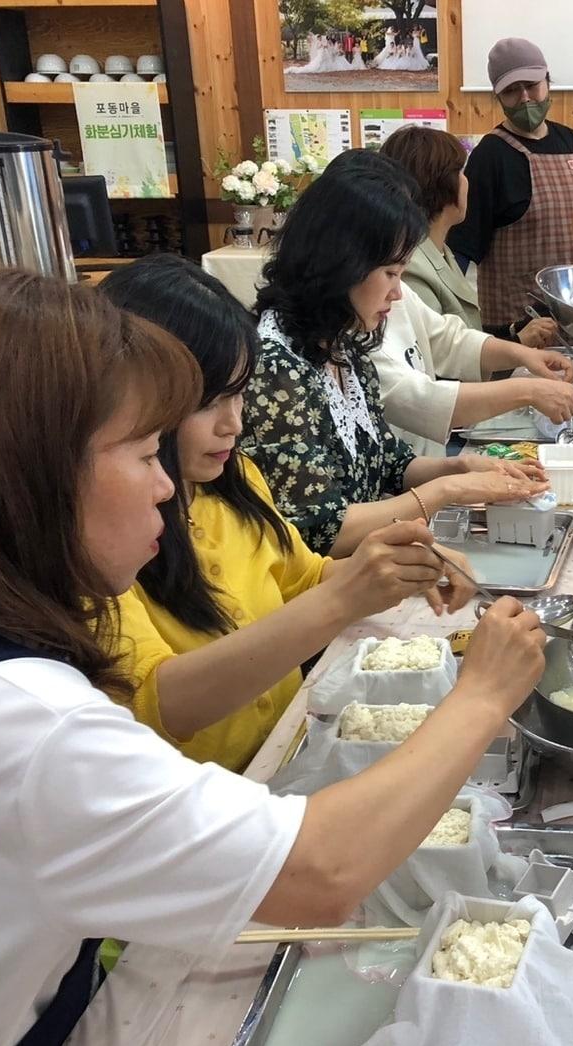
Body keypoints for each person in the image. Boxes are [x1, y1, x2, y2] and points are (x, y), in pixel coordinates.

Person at [0, 267, 547, 1046]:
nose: (167, 490)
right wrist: (482, 696)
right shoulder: (27, 728)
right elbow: (322, 873)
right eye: (146, 453)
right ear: (33, 477)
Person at [99, 255, 475, 773]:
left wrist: (391, 569)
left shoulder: (235, 484)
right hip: (205, 798)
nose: (233, 423)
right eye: (208, 403)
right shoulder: (107, 538)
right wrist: (346, 595)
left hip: (286, 752)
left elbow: (302, 577)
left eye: (239, 396)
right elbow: (160, 702)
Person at [245, 154, 550, 557]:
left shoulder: (343, 341)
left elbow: (390, 463)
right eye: (390, 274)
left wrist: (462, 468)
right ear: (341, 265)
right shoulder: (275, 367)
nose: (398, 292)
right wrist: (449, 489)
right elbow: (321, 531)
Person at [347, 146, 573, 457]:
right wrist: (527, 390)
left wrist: (522, 355)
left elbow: (448, 338)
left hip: (420, 464)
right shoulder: (338, 333)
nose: (398, 290)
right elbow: (415, 397)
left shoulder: (392, 286)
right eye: (391, 273)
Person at [446, 38, 573, 331]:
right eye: (511, 91)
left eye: (531, 85)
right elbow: (463, 245)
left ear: (547, 81)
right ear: (498, 96)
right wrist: (445, 314)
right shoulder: (491, 156)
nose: (525, 98)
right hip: (515, 326)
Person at [381, 125, 559, 346]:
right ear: (442, 183)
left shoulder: (440, 251)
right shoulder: (412, 271)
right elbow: (442, 355)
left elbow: (463, 330)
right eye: (460, 172)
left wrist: (514, 331)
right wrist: (518, 343)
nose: (467, 181)